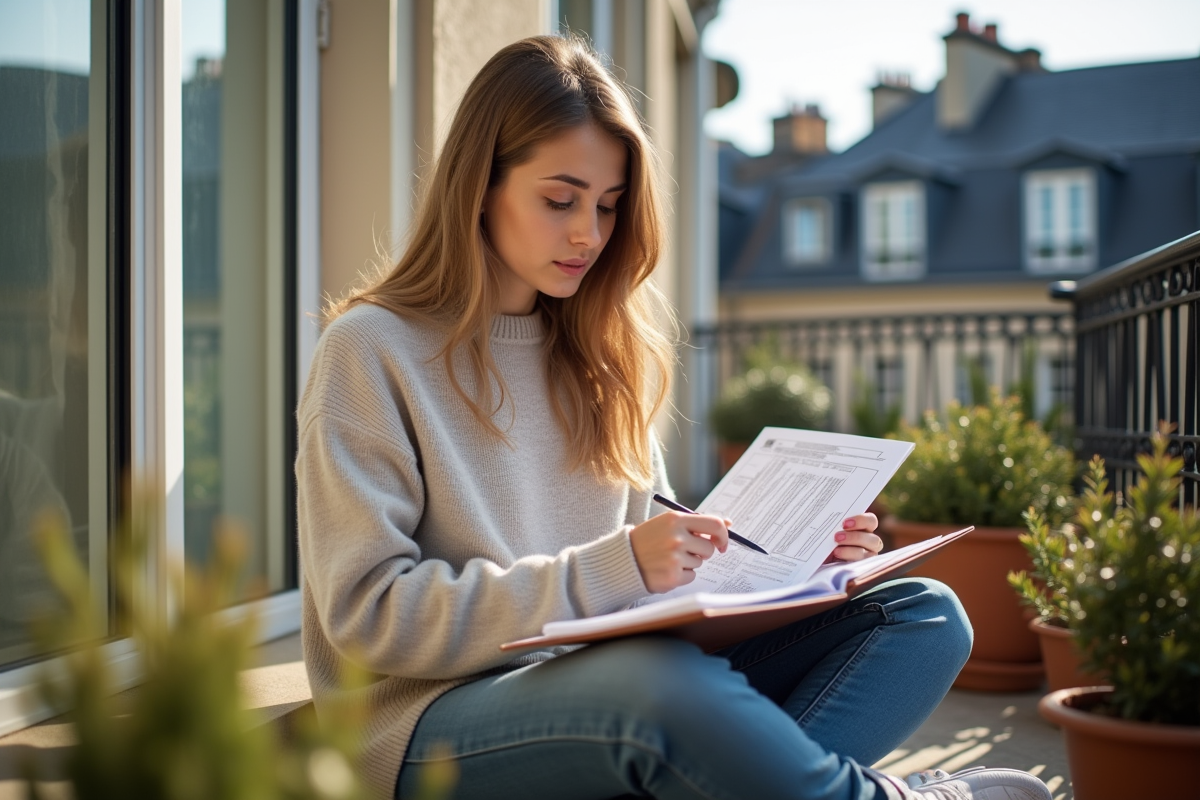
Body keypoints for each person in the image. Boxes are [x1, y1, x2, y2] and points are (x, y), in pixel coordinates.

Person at [296, 35, 1053, 800]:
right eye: (559, 200)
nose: (589, 233)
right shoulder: (370, 351)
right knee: (655, 685)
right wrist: (613, 567)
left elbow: (660, 583)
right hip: (427, 722)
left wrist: (799, 568)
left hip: (612, 687)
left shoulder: (598, 358)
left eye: (608, 206)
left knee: (922, 617)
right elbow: (369, 616)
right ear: (479, 186)